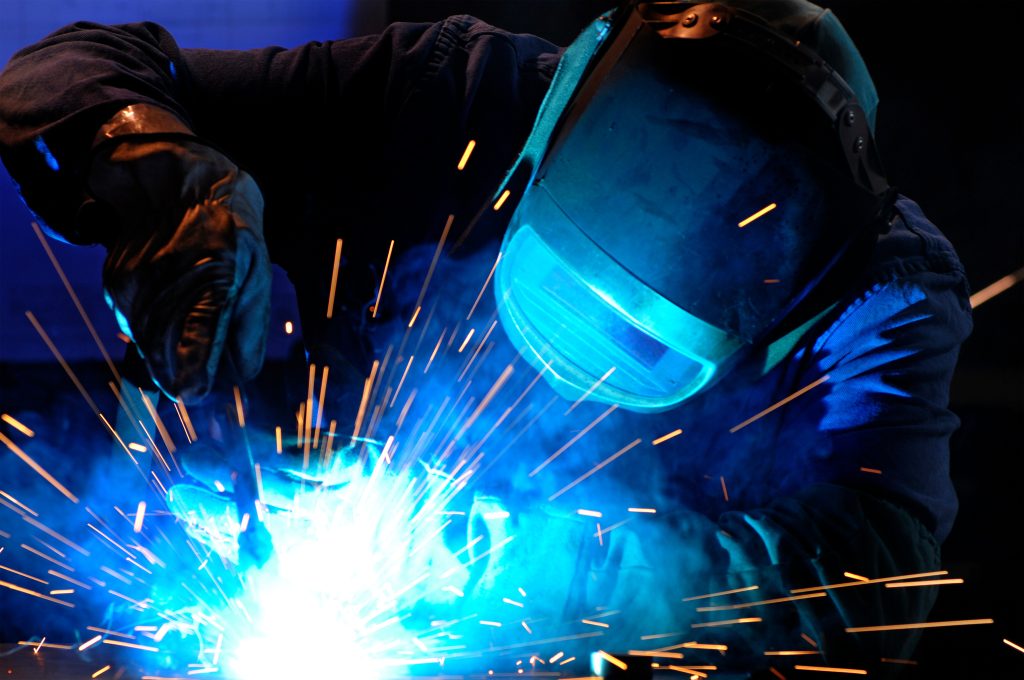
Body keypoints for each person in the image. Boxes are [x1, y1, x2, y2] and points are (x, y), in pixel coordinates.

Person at [0, 1, 971, 676]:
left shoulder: (879, 292)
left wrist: (498, 554)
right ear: (551, 133)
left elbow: (873, 587)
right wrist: (169, 190)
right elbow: (70, 70)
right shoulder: (459, 92)